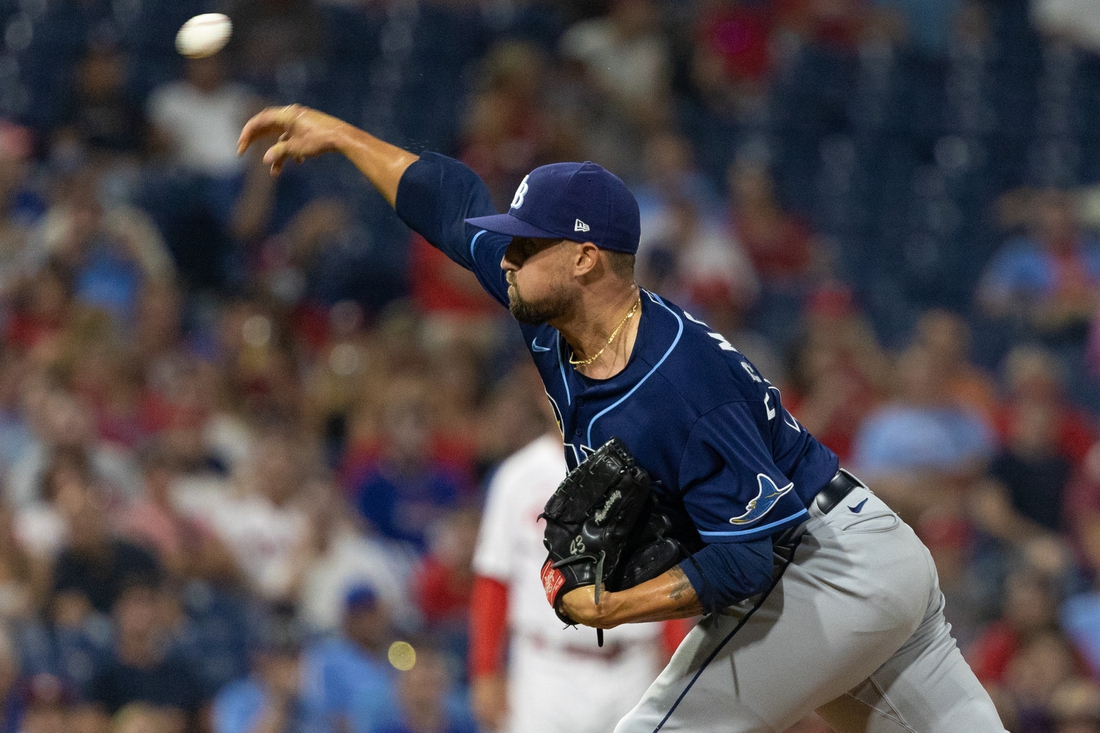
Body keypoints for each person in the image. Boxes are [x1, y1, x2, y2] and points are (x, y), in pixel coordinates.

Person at [239, 105, 1008, 732]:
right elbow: (450, 204)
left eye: (524, 246)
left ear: (584, 258)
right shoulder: (550, 309)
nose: (504, 258)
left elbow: (749, 558)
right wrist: (339, 135)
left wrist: (613, 603)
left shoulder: (677, 380)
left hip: (821, 565)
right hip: (865, 557)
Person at [469, 429, 667, 733]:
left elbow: (669, 568)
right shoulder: (518, 475)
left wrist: (675, 654)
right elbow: (494, 580)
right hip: (546, 671)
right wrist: (485, 671)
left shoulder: (652, 465)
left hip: (635, 665)